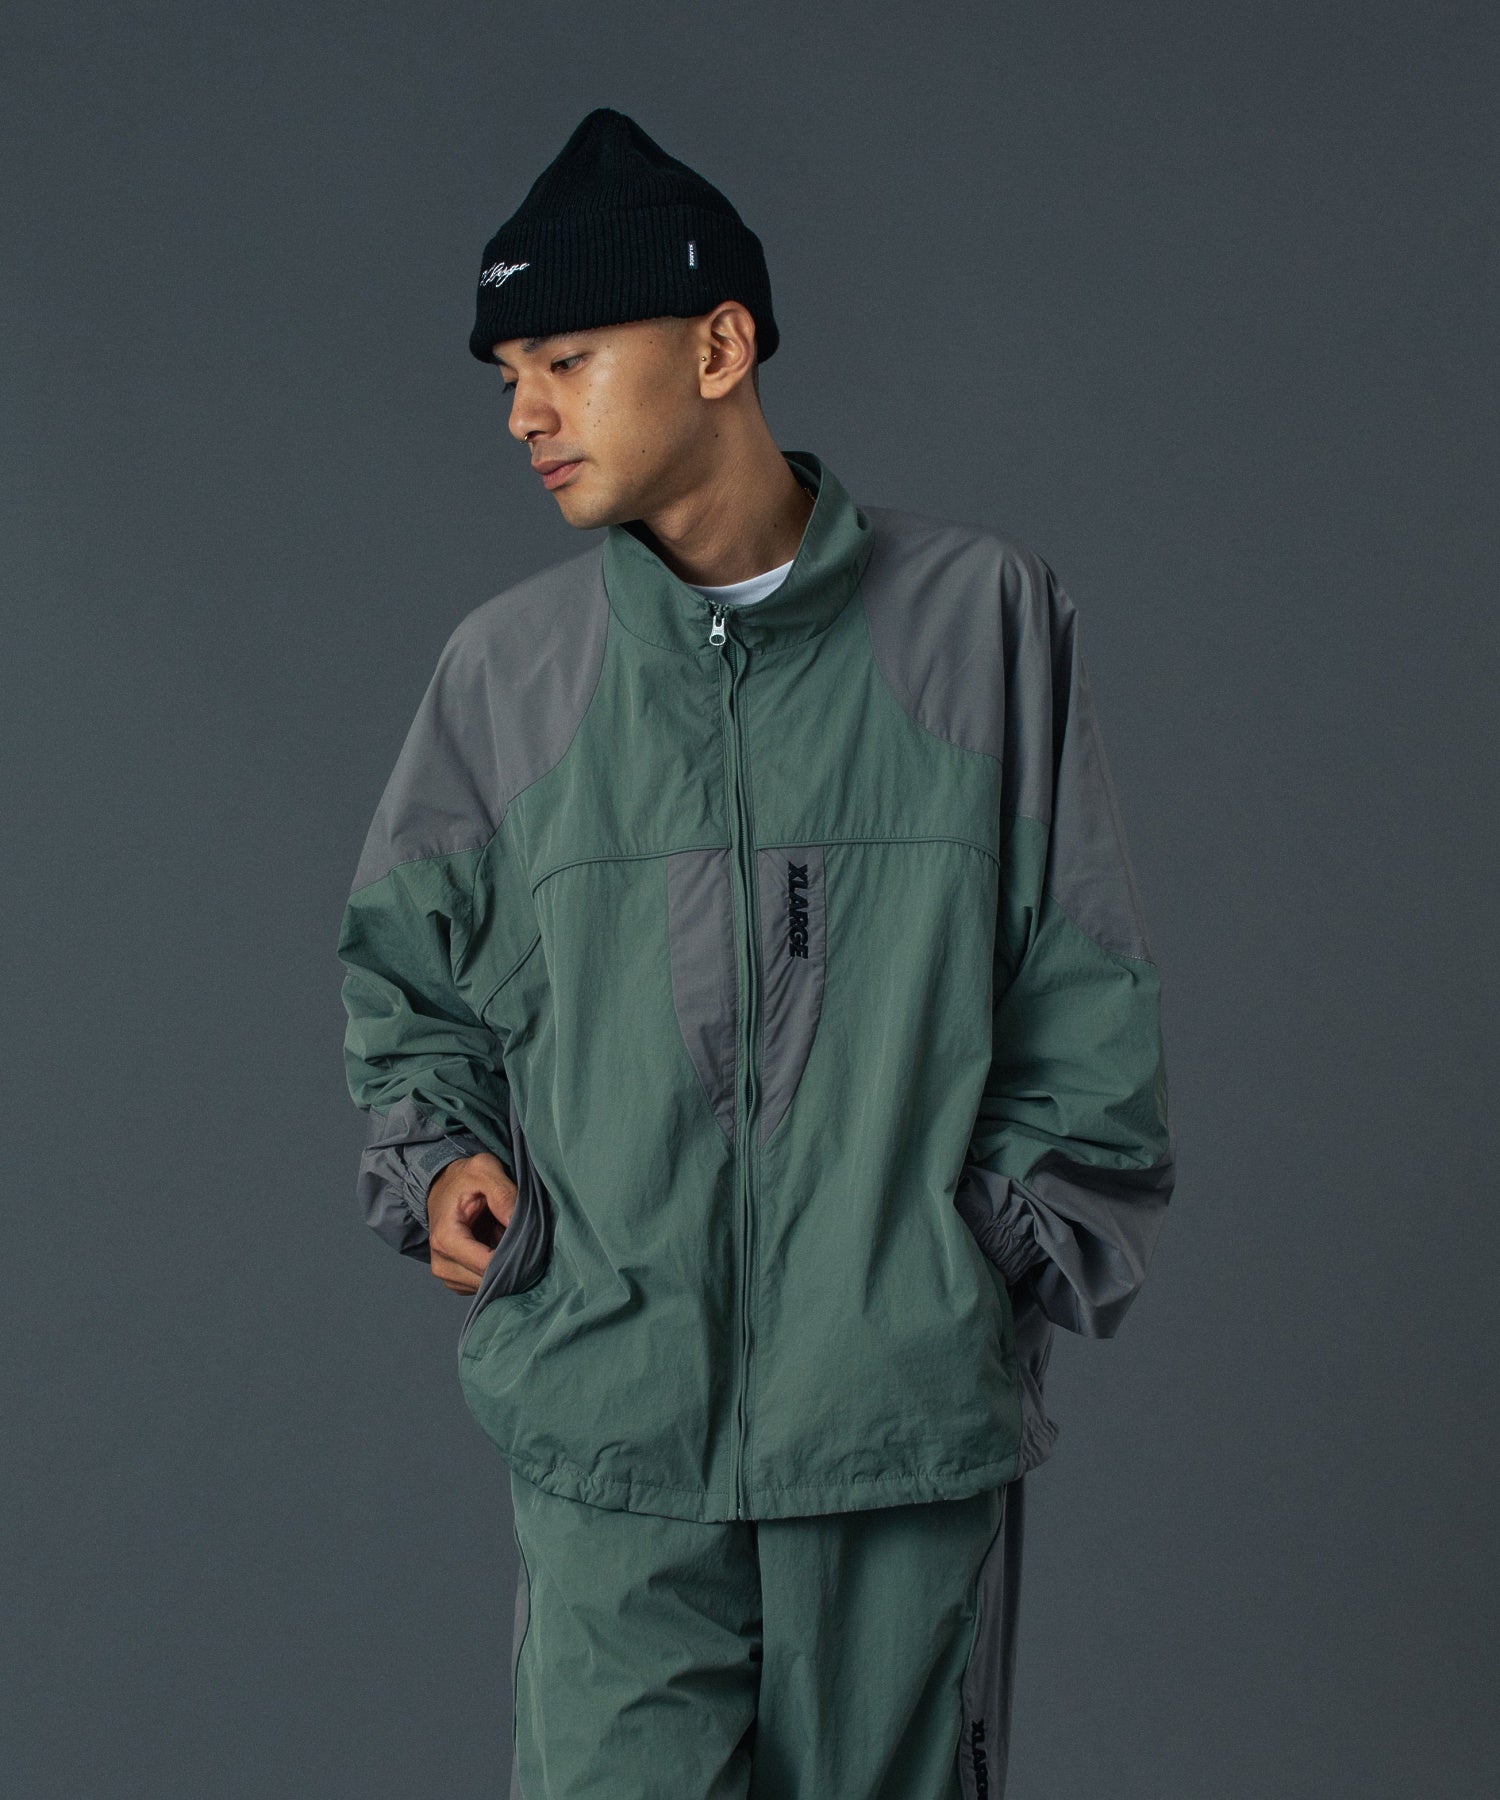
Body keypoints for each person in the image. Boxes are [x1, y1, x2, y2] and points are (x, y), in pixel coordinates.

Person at [337, 106, 1176, 1800]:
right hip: (611, 1434)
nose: (523, 413)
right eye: (509, 375)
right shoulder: (508, 676)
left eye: (566, 360)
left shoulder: (983, 626)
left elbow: (1086, 997)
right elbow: (404, 986)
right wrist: (442, 1171)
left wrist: (967, 1272)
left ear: (719, 347)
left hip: (898, 1443)